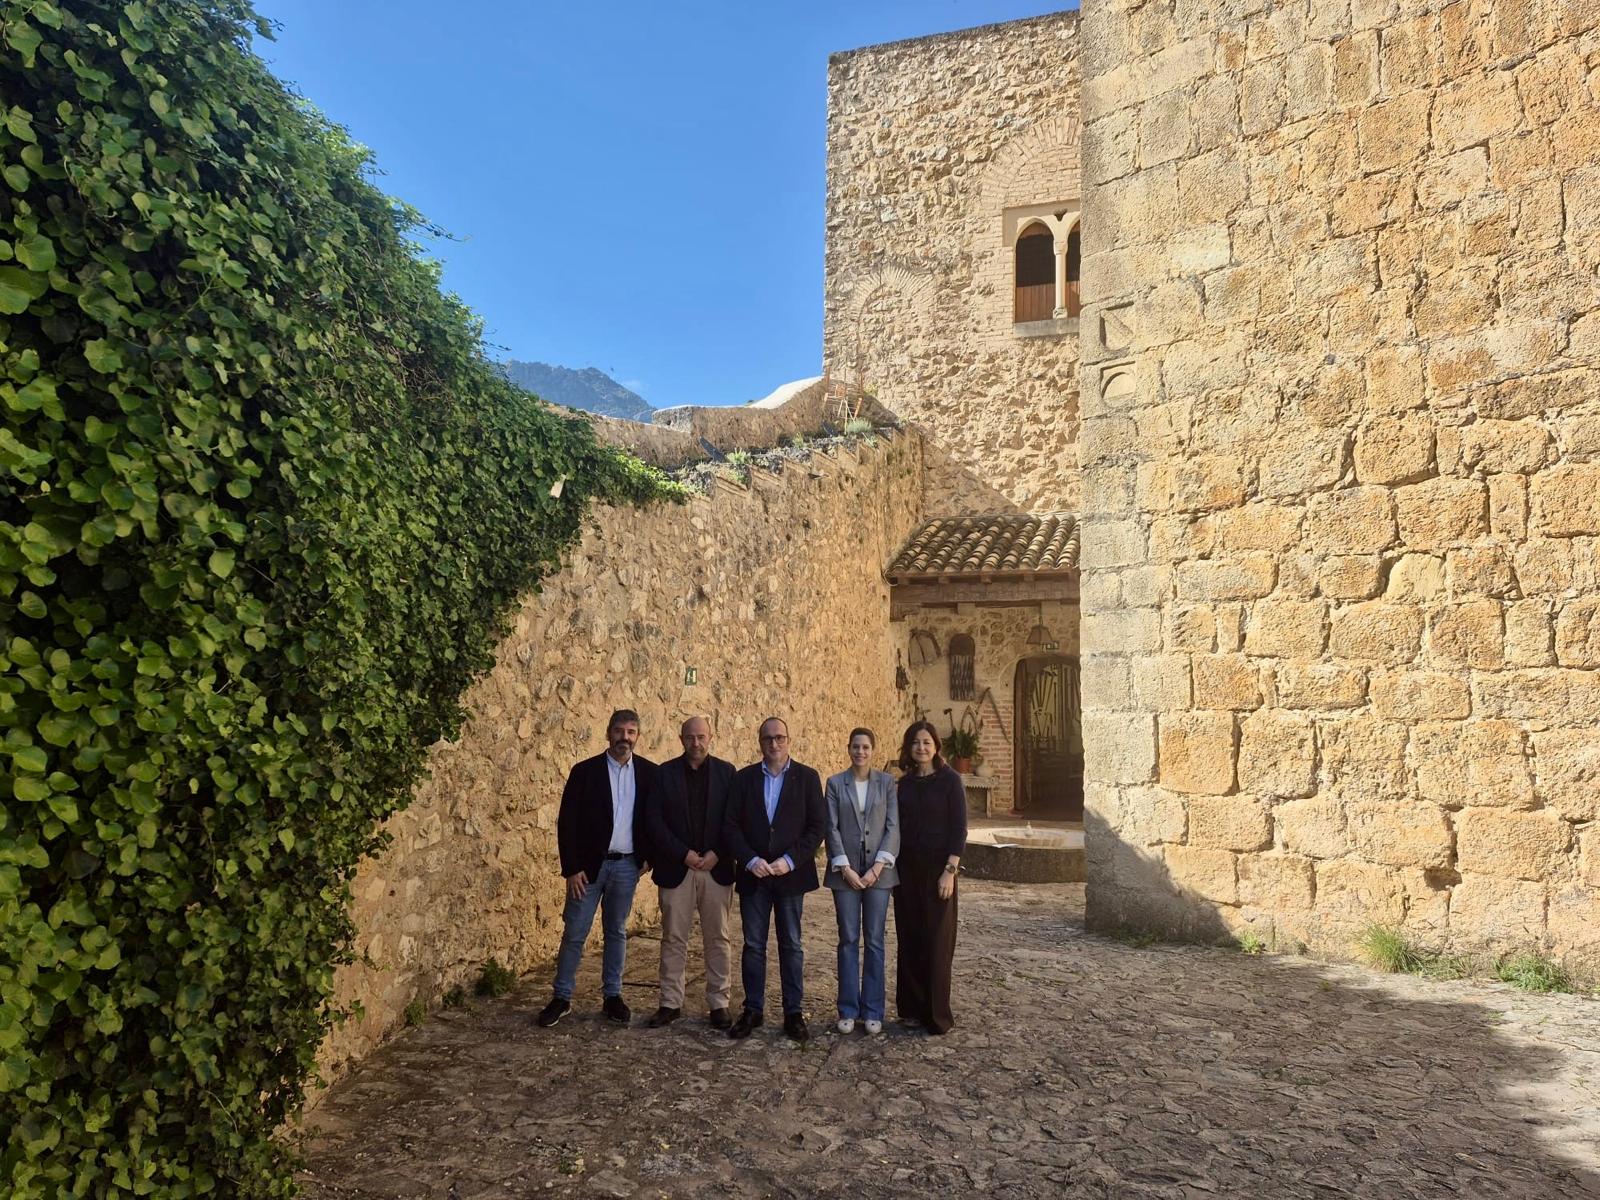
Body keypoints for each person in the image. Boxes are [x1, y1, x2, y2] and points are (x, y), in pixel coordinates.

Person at [536, 709, 656, 1028]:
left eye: (631, 732)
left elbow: (655, 820)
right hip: (587, 870)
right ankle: (561, 997)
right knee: (575, 931)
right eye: (619, 731)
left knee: (616, 931)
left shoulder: (649, 774)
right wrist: (571, 868)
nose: (624, 738)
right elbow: (568, 824)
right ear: (608, 733)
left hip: (627, 866)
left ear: (638, 737)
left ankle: (613, 997)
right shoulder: (585, 772)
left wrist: (649, 858)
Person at [722, 716, 825, 1042]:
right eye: (767, 738)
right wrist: (750, 860)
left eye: (779, 737)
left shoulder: (808, 778)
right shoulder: (744, 779)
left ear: (788, 740)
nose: (774, 743)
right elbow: (730, 826)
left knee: (791, 945)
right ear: (759, 742)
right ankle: (753, 1009)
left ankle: (793, 1012)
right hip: (755, 876)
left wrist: (790, 860)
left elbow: (816, 827)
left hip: (790, 877)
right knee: (753, 945)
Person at [642, 715, 737, 1030]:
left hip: (716, 868)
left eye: (701, 737)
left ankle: (719, 1003)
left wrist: (717, 853)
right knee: (673, 938)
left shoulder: (727, 774)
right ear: (681, 739)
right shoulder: (663, 774)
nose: (695, 743)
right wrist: (682, 853)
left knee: (718, 938)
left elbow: (734, 821)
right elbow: (654, 821)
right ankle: (670, 1002)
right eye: (689, 737)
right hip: (676, 867)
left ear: (711, 737)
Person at [823, 727, 899, 1035]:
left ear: (873, 750)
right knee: (848, 939)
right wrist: (846, 869)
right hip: (846, 876)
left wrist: (877, 868)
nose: (860, 752)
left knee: (875, 940)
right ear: (848, 749)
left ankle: (873, 1009)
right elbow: (831, 828)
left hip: (879, 875)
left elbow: (893, 828)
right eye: (856, 746)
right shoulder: (834, 784)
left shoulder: (887, 784)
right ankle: (847, 1008)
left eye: (866, 746)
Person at [893, 720, 966, 1035]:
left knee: (937, 942)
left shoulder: (951, 781)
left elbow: (959, 828)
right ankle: (910, 1009)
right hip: (907, 870)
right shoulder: (905, 784)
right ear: (909, 749)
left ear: (936, 746)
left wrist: (949, 871)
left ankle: (936, 1016)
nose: (921, 748)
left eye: (926, 742)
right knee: (910, 938)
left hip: (939, 871)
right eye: (915, 743)